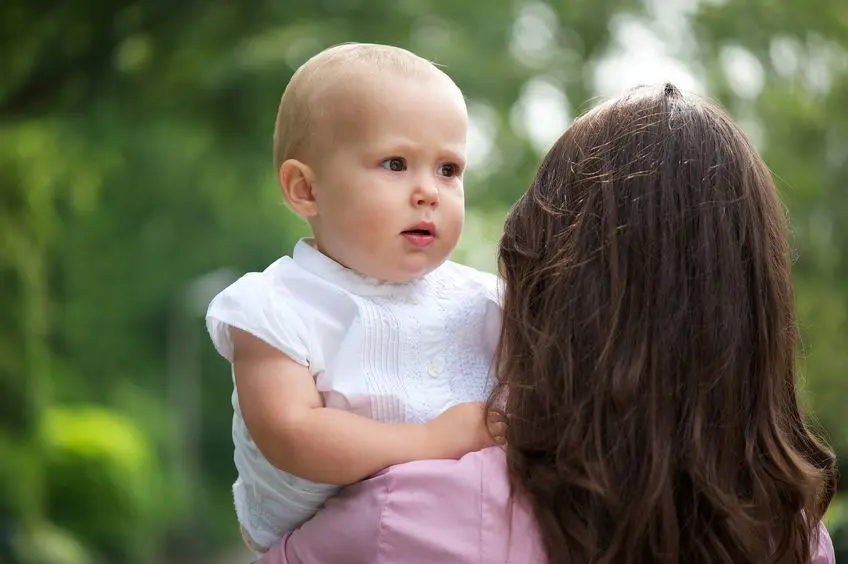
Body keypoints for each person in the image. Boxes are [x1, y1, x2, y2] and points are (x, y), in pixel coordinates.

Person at [258, 83, 838, 563]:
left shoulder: (417, 511)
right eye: (394, 164)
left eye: (448, 170)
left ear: (546, 282)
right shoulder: (798, 536)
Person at [205, 43, 504, 554]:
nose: (428, 191)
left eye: (449, 170)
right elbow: (291, 433)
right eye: (395, 163)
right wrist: (431, 443)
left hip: (463, 534)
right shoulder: (276, 307)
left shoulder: (487, 301)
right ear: (306, 189)